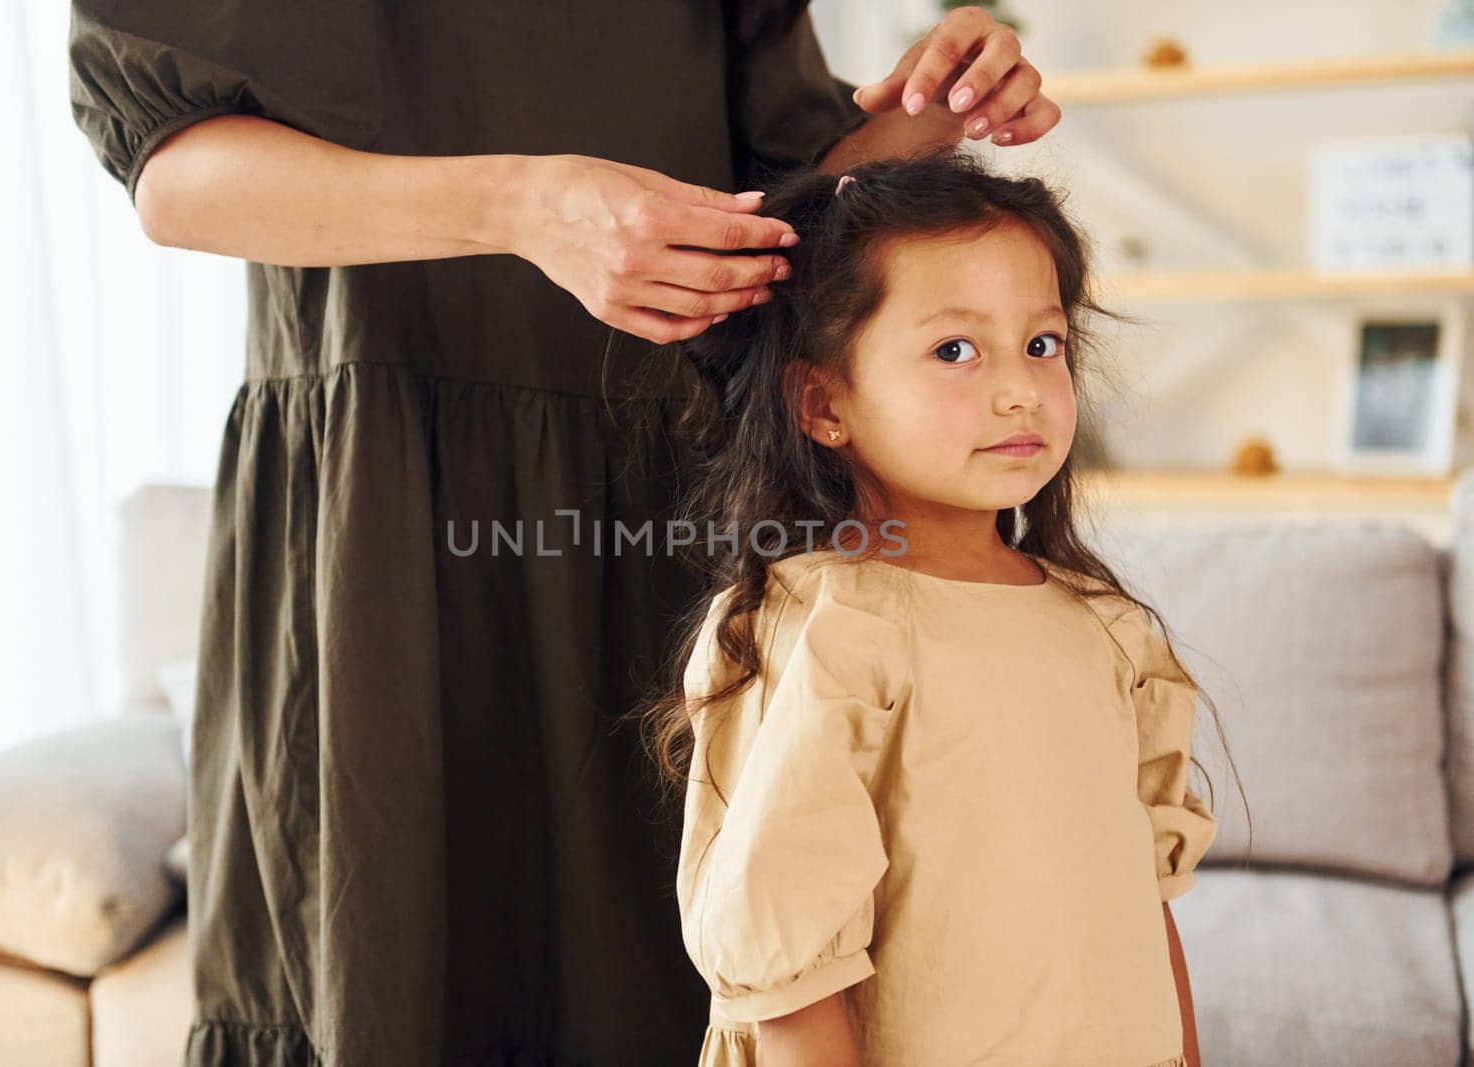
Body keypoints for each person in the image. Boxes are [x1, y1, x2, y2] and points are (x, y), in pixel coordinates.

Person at [65, 1, 1064, 1062]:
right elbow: (173, 180)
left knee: (682, 976)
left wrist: (919, 124)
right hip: (392, 526)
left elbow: (777, 206)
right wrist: (524, 203)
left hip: (678, 514)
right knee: (404, 977)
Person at [640, 148, 1247, 1066]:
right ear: (823, 401)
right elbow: (793, 977)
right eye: (955, 350)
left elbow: (1145, 913)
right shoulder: (834, 631)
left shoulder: (1105, 629)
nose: (1018, 388)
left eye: (1043, 344)